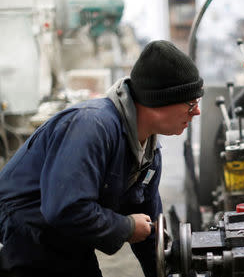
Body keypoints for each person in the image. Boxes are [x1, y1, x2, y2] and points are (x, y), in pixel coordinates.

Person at [0, 40, 203, 277]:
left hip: (68, 239)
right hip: (27, 237)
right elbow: (65, 208)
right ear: (159, 101)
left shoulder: (147, 155)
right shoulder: (91, 126)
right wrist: (127, 228)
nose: (196, 112)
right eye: (191, 104)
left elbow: (150, 233)